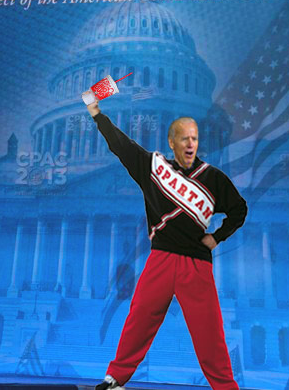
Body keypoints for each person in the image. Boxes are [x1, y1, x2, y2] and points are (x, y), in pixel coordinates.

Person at [86, 99, 248, 390]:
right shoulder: (152, 167)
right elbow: (122, 146)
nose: (190, 143)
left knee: (209, 331)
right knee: (139, 318)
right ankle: (116, 378)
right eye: (184, 138)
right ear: (171, 142)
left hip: (196, 263)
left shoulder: (213, 177)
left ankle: (225, 387)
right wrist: (98, 115)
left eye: (195, 138)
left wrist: (216, 237)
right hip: (160, 258)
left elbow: (239, 210)